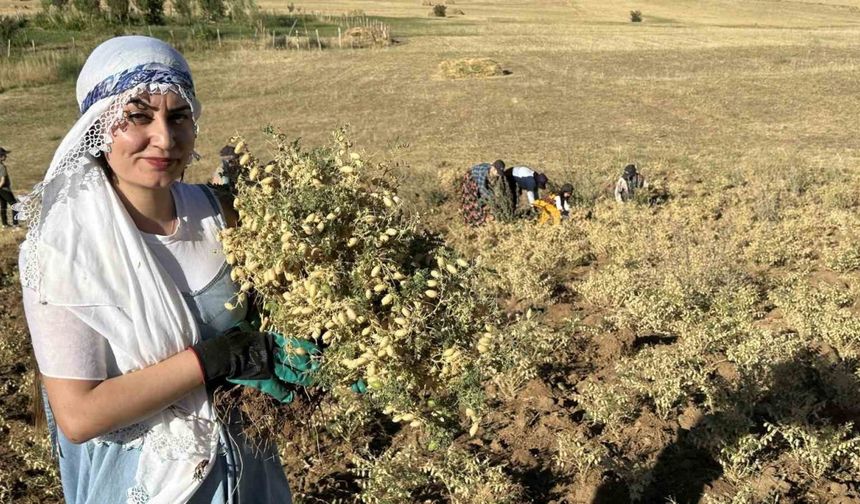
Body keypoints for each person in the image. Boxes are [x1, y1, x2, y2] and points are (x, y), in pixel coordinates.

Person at [16, 36, 300, 503]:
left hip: (248, 472)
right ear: (99, 125)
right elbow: (80, 415)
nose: (164, 139)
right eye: (138, 116)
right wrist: (218, 358)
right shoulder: (63, 249)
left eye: (178, 116)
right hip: (148, 483)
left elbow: (278, 317)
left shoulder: (221, 215)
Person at [461, 159, 505, 226]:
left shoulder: (492, 173)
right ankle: (472, 221)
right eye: (498, 172)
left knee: (483, 198)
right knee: (471, 200)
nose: (498, 175)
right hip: (470, 178)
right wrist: (494, 200)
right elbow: (483, 190)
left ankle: (482, 214)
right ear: (493, 168)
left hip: (478, 180)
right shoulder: (483, 173)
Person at [0, 147, 18, 227]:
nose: (6, 156)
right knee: (15, 204)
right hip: (4, 189)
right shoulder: (2, 167)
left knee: (3, 205)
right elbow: (3, 180)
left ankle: (4, 224)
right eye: (4, 155)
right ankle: (15, 224)